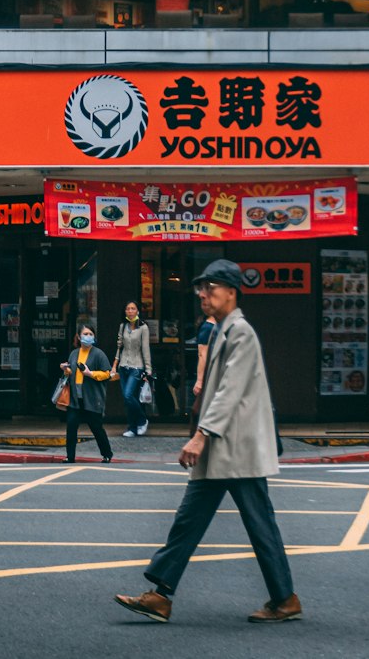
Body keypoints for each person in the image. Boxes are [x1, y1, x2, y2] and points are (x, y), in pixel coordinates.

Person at [114, 260, 300, 625]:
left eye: (210, 287)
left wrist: (201, 435)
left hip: (236, 451)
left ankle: (285, 598)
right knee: (188, 522)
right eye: (201, 288)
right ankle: (160, 596)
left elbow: (230, 392)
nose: (202, 294)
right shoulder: (221, 330)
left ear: (232, 292)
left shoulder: (241, 333)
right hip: (221, 451)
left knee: (260, 525)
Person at [61, 322, 115, 463]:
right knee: (71, 427)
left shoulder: (98, 354)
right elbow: (71, 373)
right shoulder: (74, 354)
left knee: (96, 427)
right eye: (85, 334)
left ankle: (107, 454)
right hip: (74, 398)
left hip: (92, 398)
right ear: (79, 337)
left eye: (91, 334)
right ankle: (70, 456)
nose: (88, 336)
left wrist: (90, 373)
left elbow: (107, 374)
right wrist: (66, 369)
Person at [110, 301, 152, 437]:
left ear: (138, 311)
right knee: (127, 399)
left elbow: (146, 349)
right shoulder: (123, 326)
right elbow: (119, 347)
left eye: (133, 308)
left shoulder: (143, 327)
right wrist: (114, 365)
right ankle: (132, 428)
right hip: (123, 366)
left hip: (137, 367)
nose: (130, 311)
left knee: (128, 395)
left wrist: (148, 370)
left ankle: (142, 420)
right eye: (128, 309)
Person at [188, 294, 216, 435]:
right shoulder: (207, 328)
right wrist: (199, 380)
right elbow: (202, 354)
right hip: (210, 375)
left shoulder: (219, 326)